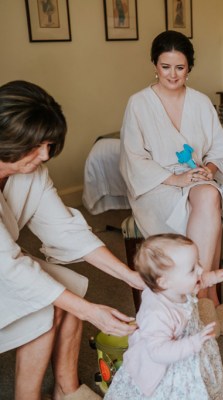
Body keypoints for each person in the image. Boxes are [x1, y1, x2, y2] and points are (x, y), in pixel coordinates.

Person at [0, 80, 144, 400]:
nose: (45, 155)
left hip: (5, 263)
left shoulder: (32, 171)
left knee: (68, 284)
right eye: (35, 145)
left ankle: (67, 389)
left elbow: (65, 229)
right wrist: (92, 312)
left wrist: (132, 276)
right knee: (47, 306)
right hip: (4, 267)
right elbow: (8, 269)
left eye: (49, 145)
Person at [119, 30, 223, 336]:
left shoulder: (201, 103)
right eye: (165, 67)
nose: (172, 74)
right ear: (154, 66)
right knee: (208, 203)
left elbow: (219, 150)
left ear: (189, 67)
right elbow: (132, 159)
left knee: (208, 194)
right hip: (156, 186)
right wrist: (175, 178)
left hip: (194, 179)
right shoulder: (138, 104)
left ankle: (200, 297)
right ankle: (210, 298)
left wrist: (209, 169)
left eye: (179, 67)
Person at [105, 234, 223, 399]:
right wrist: (193, 343)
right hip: (168, 363)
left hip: (187, 347)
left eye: (198, 262)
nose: (200, 269)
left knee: (202, 383)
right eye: (192, 269)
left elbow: (195, 284)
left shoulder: (174, 287)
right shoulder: (157, 314)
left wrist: (211, 277)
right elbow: (158, 351)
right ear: (164, 282)